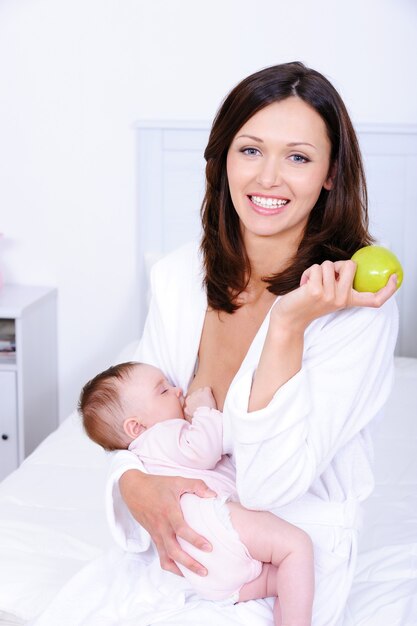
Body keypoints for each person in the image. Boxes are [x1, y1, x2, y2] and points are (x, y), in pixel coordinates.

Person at [107, 61, 399, 626]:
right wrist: (132, 484)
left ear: (330, 174)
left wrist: (287, 328)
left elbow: (269, 486)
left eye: (297, 156)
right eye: (250, 150)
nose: (268, 178)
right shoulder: (176, 277)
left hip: (285, 568)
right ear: (220, 161)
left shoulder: (354, 310)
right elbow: (130, 421)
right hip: (179, 549)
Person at [79, 361, 315, 625]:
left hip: (206, 573)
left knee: (281, 581)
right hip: (217, 525)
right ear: (136, 427)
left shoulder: (142, 458)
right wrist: (205, 409)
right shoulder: (159, 436)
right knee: (296, 547)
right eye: (163, 391)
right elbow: (203, 450)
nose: (178, 390)